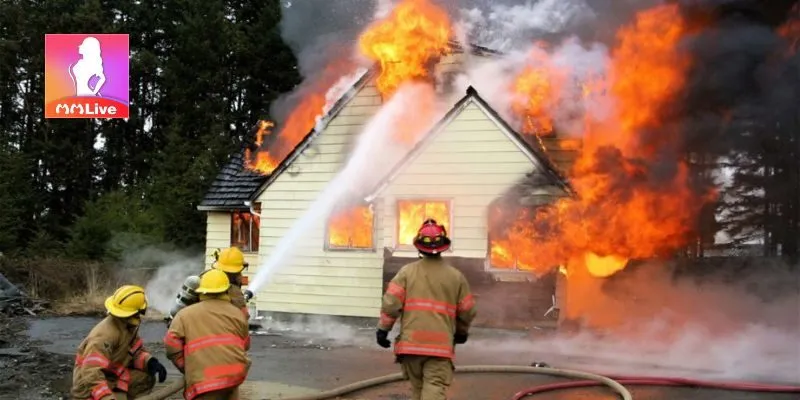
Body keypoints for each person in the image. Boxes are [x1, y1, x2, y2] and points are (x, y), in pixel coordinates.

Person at [376, 219, 478, 400]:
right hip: (440, 349)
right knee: (433, 389)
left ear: (419, 247)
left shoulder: (406, 273)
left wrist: (383, 330)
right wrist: (461, 332)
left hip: (411, 346)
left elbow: (391, 304)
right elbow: (467, 310)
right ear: (443, 246)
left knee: (418, 389)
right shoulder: (456, 277)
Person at [164, 269, 251, 400]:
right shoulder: (238, 314)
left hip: (204, 381)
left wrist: (186, 367)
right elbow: (246, 344)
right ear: (226, 291)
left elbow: (171, 344)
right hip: (234, 376)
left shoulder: (184, 315)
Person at [71, 285, 168, 400]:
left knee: (146, 378)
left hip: (111, 375)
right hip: (88, 385)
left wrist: (150, 362)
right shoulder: (104, 335)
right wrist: (106, 397)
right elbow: (91, 372)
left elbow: (135, 353)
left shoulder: (127, 327)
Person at [211, 247, 254, 319]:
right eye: (240, 272)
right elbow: (244, 316)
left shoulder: (208, 282)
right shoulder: (234, 292)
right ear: (235, 273)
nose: (241, 276)